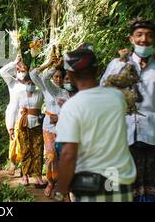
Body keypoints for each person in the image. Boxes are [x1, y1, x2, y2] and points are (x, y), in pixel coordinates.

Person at [100, 18, 155, 202]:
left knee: (148, 195)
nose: (144, 39)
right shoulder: (117, 65)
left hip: (150, 140)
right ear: (131, 39)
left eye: (150, 36)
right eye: (139, 35)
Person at [55, 44, 136, 202]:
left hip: (91, 185)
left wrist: (61, 190)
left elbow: (68, 154)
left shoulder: (72, 106)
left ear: (70, 75)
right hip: (119, 181)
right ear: (98, 71)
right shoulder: (117, 98)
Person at [30, 56, 70, 196]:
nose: (58, 79)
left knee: (62, 159)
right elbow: (34, 74)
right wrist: (50, 65)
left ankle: (62, 187)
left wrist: (59, 118)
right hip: (48, 128)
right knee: (51, 157)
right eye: (56, 76)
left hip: (63, 129)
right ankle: (51, 182)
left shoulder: (65, 93)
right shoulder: (48, 88)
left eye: (60, 77)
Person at [0, 53, 27, 176]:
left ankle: (23, 166)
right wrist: (15, 62)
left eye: (24, 70)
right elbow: (2, 71)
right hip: (14, 116)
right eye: (19, 70)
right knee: (14, 139)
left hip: (26, 116)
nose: (21, 72)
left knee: (25, 141)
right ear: (16, 70)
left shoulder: (30, 84)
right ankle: (12, 163)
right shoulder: (12, 82)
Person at [17, 75, 45, 186]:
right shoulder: (20, 95)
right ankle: (25, 175)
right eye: (28, 83)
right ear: (24, 83)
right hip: (24, 125)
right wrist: (10, 126)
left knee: (38, 149)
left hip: (37, 124)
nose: (31, 85)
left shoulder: (40, 93)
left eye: (33, 83)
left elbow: (42, 81)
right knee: (25, 150)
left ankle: (38, 176)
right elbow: (14, 109)